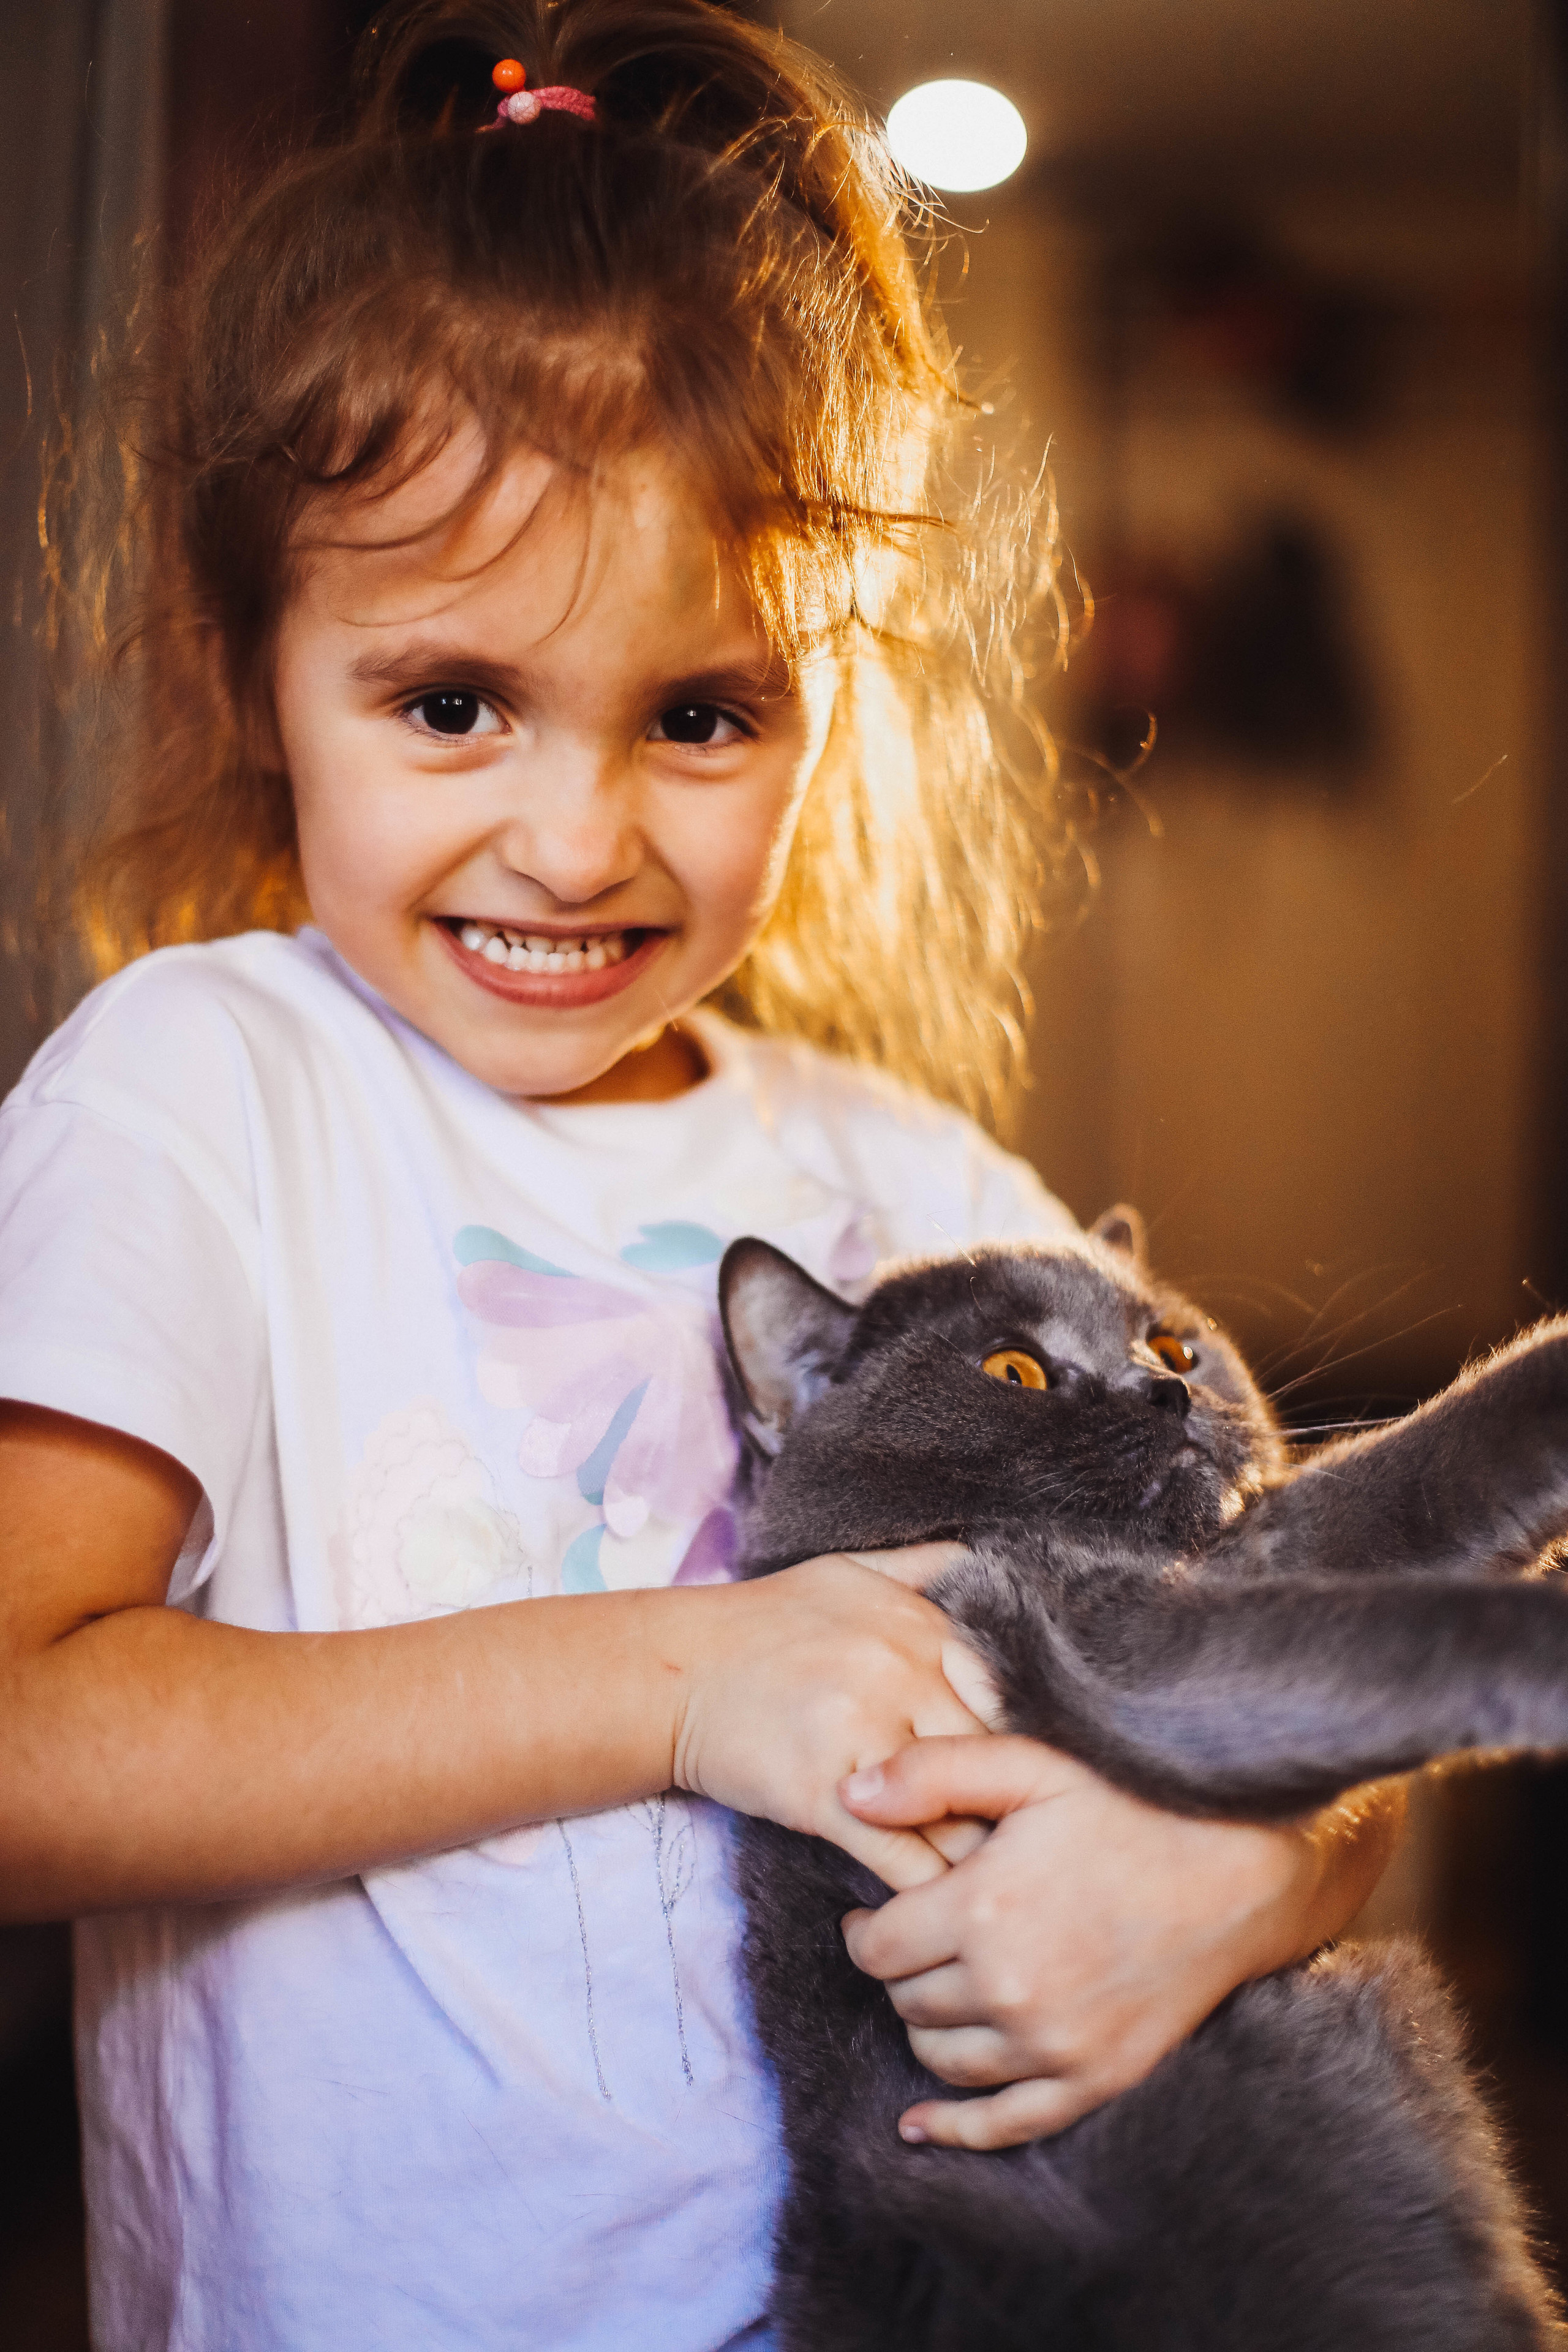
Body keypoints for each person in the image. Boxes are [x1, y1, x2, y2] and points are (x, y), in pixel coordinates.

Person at [0, 3, 1397, 2345]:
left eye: (700, 713)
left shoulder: (913, 1183)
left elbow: (1336, 1679)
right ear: (258, 674)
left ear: (823, 704)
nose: (575, 835)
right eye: (452, 702)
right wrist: (681, 1682)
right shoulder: (200, 1088)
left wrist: (1264, 1873)